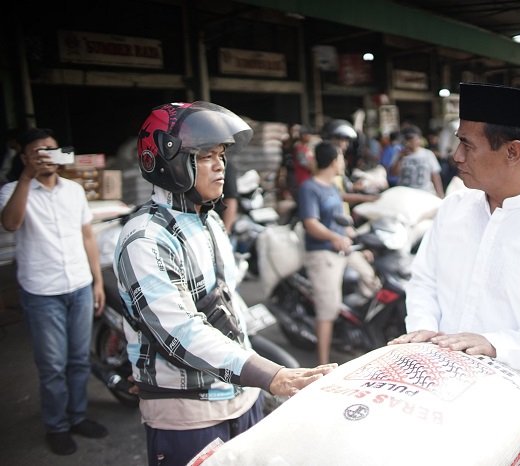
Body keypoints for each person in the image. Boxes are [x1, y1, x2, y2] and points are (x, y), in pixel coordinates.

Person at [388, 83, 520, 463]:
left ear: (512, 151)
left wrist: (495, 344)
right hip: (438, 400)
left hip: (514, 417)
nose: (455, 156)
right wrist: (422, 329)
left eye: (468, 145)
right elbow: (424, 281)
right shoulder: (453, 209)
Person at [114, 101, 335, 466]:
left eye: (221, 155)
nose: (220, 165)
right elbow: (181, 331)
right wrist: (272, 374)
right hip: (191, 415)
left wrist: (270, 368)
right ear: (169, 162)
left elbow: (229, 304)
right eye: (205, 156)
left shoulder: (210, 223)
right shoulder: (145, 238)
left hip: (242, 397)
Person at [0, 128, 108, 456]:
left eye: (50, 150)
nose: (46, 156)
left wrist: (98, 281)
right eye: (38, 152)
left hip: (78, 287)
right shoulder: (11, 191)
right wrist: (26, 178)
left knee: (78, 359)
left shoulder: (73, 191)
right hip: (41, 293)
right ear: (25, 158)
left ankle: (77, 417)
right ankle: (56, 425)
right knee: (52, 366)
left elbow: (88, 237)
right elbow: (11, 224)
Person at [297, 141, 380, 365]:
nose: (343, 162)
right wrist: (335, 237)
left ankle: (351, 329)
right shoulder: (309, 187)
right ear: (334, 161)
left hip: (344, 247)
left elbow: (339, 218)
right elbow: (311, 223)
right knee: (328, 308)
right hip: (322, 253)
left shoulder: (333, 186)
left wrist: (356, 238)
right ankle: (323, 364)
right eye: (342, 157)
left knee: (372, 281)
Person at [390, 125, 445, 197]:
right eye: (407, 139)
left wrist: (440, 195)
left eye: (412, 139)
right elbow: (393, 173)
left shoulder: (428, 154)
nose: (409, 142)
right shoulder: (399, 154)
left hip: (425, 194)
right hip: (405, 195)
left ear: (419, 139)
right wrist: (400, 158)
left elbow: (435, 176)